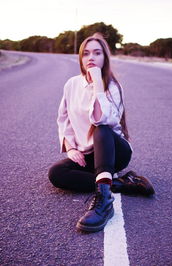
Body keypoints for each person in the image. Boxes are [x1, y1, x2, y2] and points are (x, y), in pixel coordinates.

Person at [48, 33, 155, 233]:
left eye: (97, 53)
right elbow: (64, 118)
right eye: (86, 54)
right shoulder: (71, 84)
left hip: (114, 151)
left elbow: (102, 120)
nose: (91, 58)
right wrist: (70, 147)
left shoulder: (113, 87)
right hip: (89, 153)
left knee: (101, 129)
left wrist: (98, 84)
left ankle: (104, 200)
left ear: (104, 57)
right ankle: (121, 183)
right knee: (56, 173)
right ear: (80, 58)